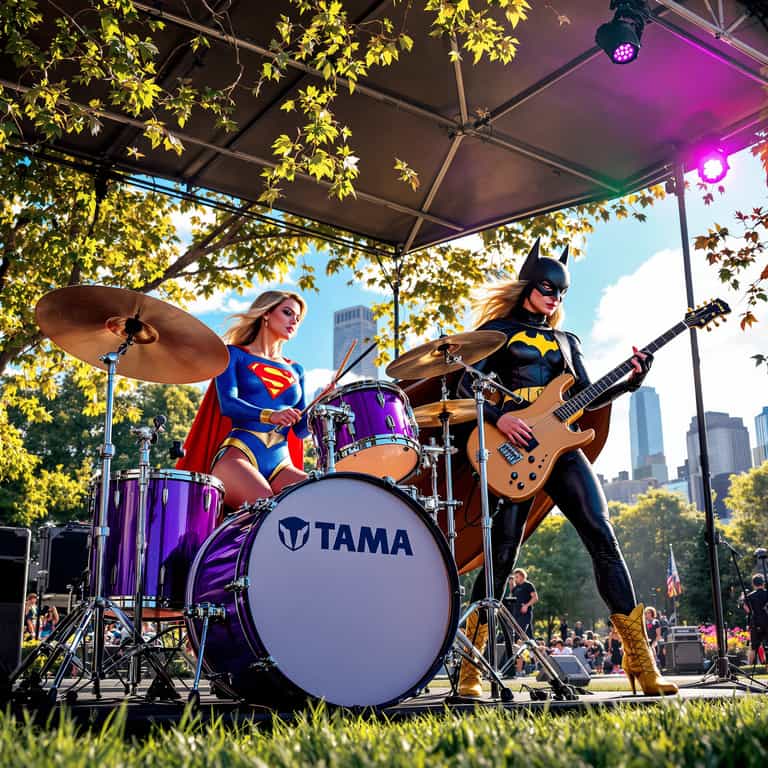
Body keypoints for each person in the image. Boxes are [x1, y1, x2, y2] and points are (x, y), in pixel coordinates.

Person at [455, 239, 677, 697]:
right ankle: (470, 671)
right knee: (502, 555)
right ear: (527, 287)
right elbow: (463, 387)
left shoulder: (567, 341)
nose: (555, 298)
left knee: (602, 534)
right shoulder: (496, 332)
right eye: (547, 288)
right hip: (511, 449)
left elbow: (589, 395)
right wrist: (500, 417)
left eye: (561, 292)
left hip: (563, 450)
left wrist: (634, 380)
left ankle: (640, 660)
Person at [182, 291, 312, 511]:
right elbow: (228, 404)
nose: (293, 321)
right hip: (240, 455)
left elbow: (300, 431)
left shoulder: (296, 370)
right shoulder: (234, 355)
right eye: (287, 312)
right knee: (267, 509)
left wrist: (319, 412)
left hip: (281, 461)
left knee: (318, 498)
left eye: (297, 319)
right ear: (266, 314)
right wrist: (271, 415)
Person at [743, 573, 768, 666]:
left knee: (753, 646)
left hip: (755, 622)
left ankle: (749, 667)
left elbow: (747, 610)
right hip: (767, 621)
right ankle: (766, 665)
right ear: (763, 583)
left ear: (753, 584)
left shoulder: (749, 596)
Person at [508, 568, 538, 640]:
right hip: (516, 613)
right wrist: (511, 584)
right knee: (527, 634)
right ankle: (531, 646)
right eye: (515, 577)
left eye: (517, 577)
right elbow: (512, 593)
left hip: (525, 613)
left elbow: (535, 598)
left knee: (520, 633)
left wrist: (526, 606)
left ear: (522, 576)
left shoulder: (528, 585)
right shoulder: (516, 587)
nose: (515, 578)